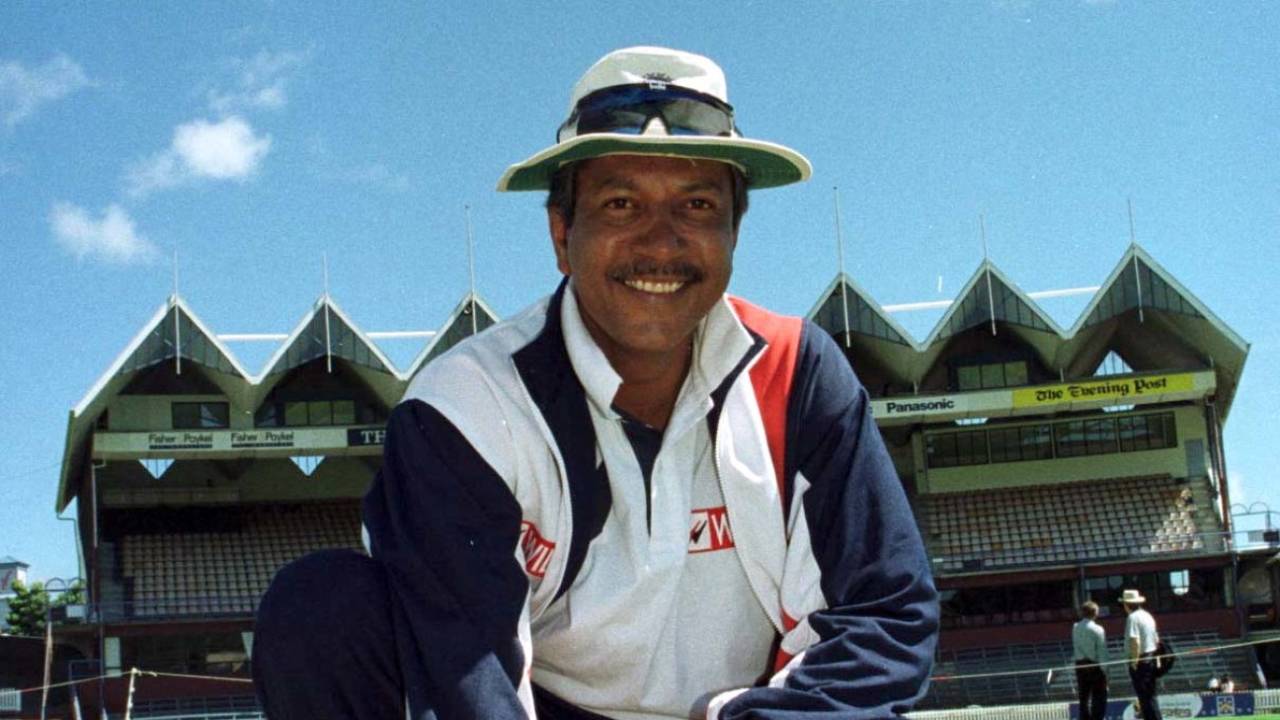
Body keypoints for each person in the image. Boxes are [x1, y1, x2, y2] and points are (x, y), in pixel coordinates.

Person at [252, 45, 939, 720]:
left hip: (744, 711)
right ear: (560, 232)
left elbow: (884, 615)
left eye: (698, 206)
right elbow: (470, 684)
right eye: (620, 204)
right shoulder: (467, 406)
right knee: (322, 608)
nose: (661, 242)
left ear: (735, 234)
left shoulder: (797, 371)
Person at [1122, 589, 1162, 720]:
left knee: (1145, 699)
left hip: (1141, 662)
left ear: (1126, 604)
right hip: (1150, 658)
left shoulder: (1132, 618)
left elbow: (1135, 641)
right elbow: (1156, 640)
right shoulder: (1148, 616)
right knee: (1150, 697)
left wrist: (1134, 661)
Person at [1072, 601, 1108, 720]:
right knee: (1099, 697)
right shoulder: (1098, 629)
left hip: (1080, 666)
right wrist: (1106, 672)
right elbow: (1102, 652)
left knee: (1083, 698)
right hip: (1094, 666)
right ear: (1095, 613)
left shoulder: (1075, 628)